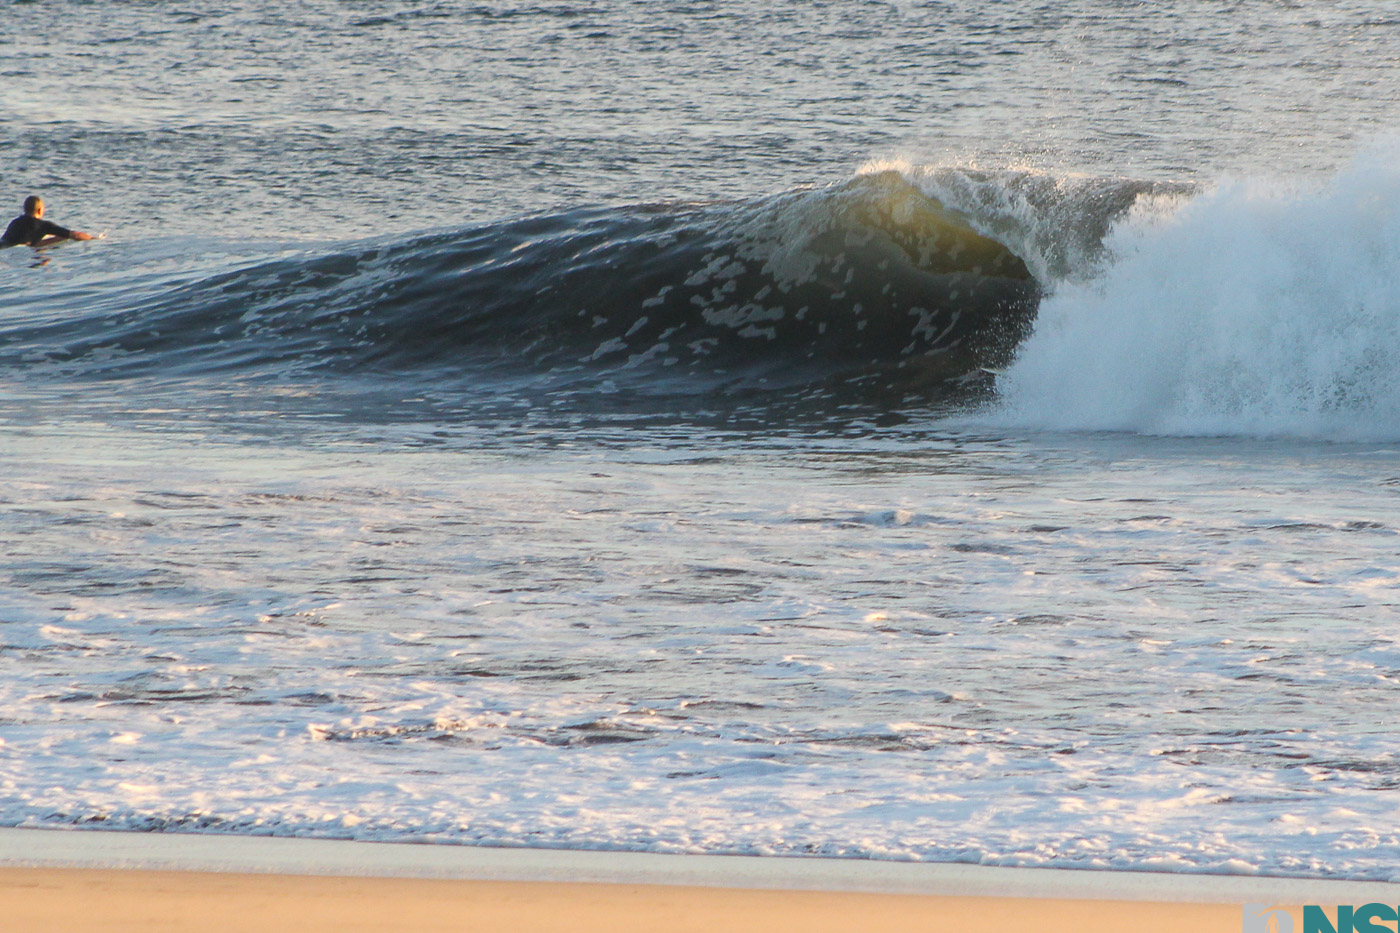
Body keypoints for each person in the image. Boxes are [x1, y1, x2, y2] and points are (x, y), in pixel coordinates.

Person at [1, 196, 94, 248]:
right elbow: (75, 235)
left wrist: (58, 239)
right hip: (15, 252)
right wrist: (93, 238)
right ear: (40, 210)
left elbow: (26, 243)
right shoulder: (44, 226)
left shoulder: (15, 222)